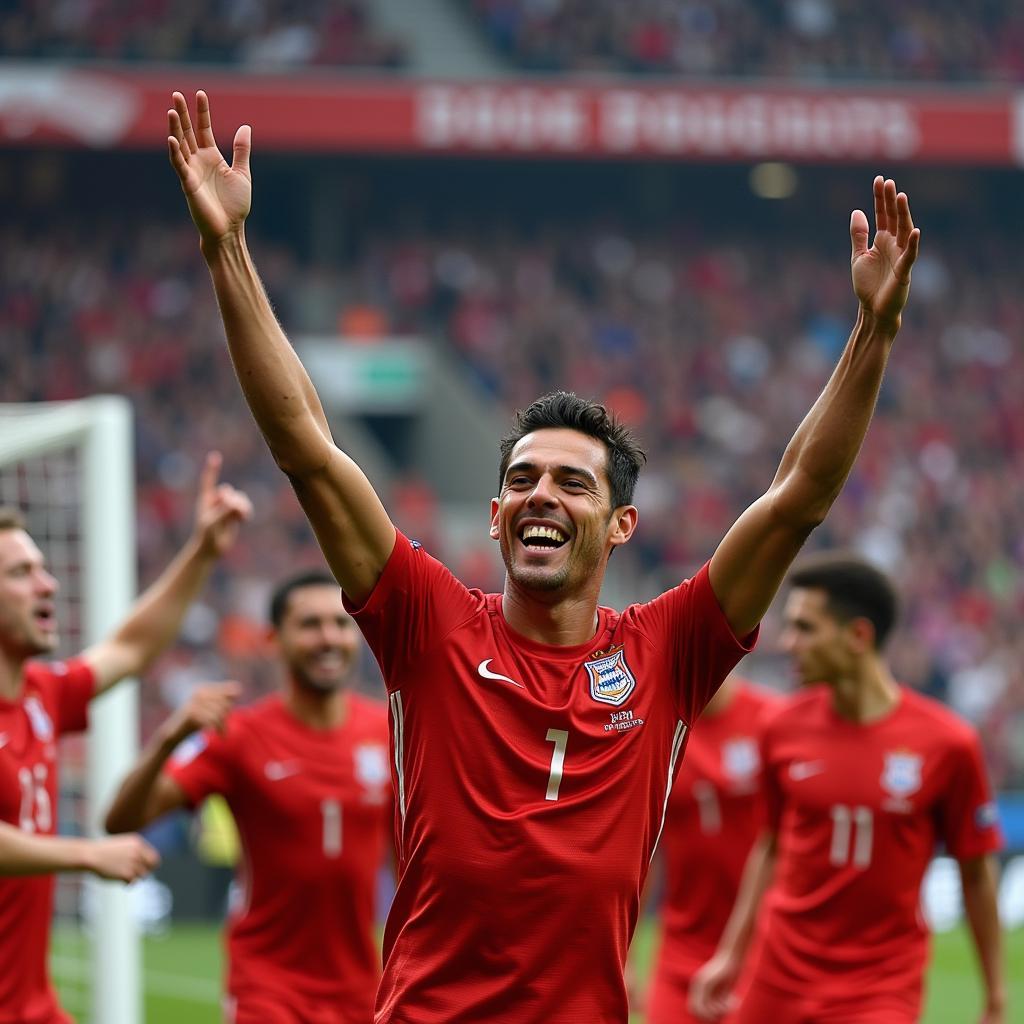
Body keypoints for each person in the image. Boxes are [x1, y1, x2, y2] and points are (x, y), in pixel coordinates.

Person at [167, 88, 919, 1022]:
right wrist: (225, 249)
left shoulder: (669, 651)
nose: (541, 495)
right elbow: (307, 448)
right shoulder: (427, 620)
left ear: (619, 527)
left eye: (573, 483)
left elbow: (797, 494)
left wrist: (873, 332)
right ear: (493, 517)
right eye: (523, 479)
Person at [690, 554, 1006, 1024]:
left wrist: (995, 994)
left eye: (805, 628)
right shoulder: (781, 728)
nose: (787, 643)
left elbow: (976, 874)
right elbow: (771, 845)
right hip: (779, 974)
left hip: (879, 987)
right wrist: (732, 954)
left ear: (859, 636)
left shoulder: (948, 744)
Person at [0, 452, 251, 1024]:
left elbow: (132, 648)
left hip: (31, 1006)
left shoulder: (42, 692)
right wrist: (87, 853)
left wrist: (202, 551)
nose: (48, 583)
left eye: (42, 566)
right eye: (20, 573)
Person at [105, 570, 392, 1024]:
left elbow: (408, 863)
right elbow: (121, 818)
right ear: (273, 639)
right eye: (310, 624)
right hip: (268, 987)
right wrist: (169, 737)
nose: (328, 638)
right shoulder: (239, 736)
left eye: (339, 624)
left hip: (363, 989)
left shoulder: (385, 733)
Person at [643, 674, 780, 1024]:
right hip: (683, 945)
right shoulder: (657, 725)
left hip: (767, 948)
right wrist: (625, 953)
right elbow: (647, 847)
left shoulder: (772, 720)